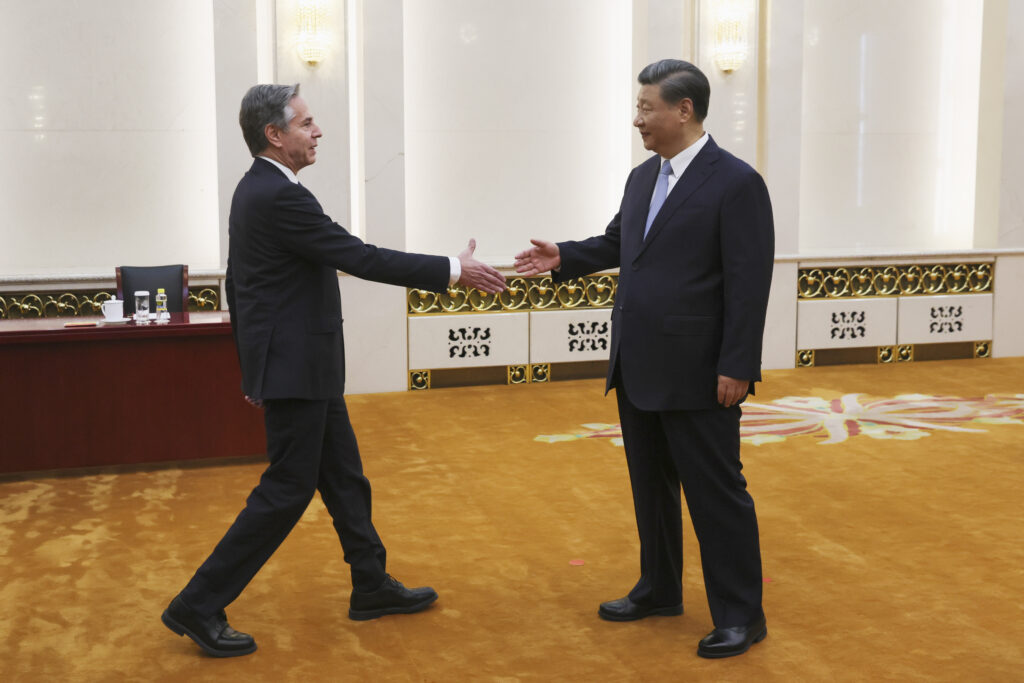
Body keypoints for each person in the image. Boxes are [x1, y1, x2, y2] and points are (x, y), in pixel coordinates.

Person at [162, 83, 506, 658]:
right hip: (298, 369)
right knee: (286, 490)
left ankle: (370, 583)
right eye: (306, 123)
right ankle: (198, 602)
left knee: (344, 477)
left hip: (304, 366)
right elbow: (359, 255)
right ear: (275, 135)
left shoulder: (261, 190)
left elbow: (240, 286)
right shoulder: (277, 195)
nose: (317, 131)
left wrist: (255, 368)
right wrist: (453, 268)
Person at [514, 59, 774, 659]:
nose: (638, 120)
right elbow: (619, 242)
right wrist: (566, 256)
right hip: (637, 366)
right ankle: (659, 588)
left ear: (683, 110)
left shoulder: (736, 183)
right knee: (650, 490)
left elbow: (749, 282)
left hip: (702, 373)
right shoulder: (641, 178)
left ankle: (741, 614)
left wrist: (737, 365)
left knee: (716, 493)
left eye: (646, 109)